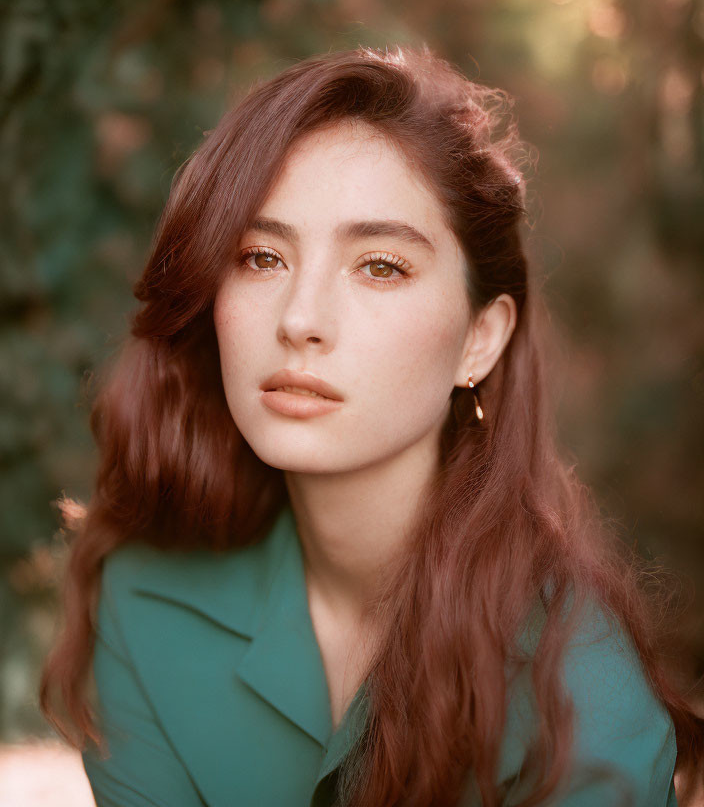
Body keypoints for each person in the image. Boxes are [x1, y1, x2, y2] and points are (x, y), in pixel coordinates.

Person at [39, 45, 703, 807]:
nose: (300, 319)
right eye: (259, 256)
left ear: (480, 338)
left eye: (380, 266)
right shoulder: (149, 601)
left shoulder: (581, 697)